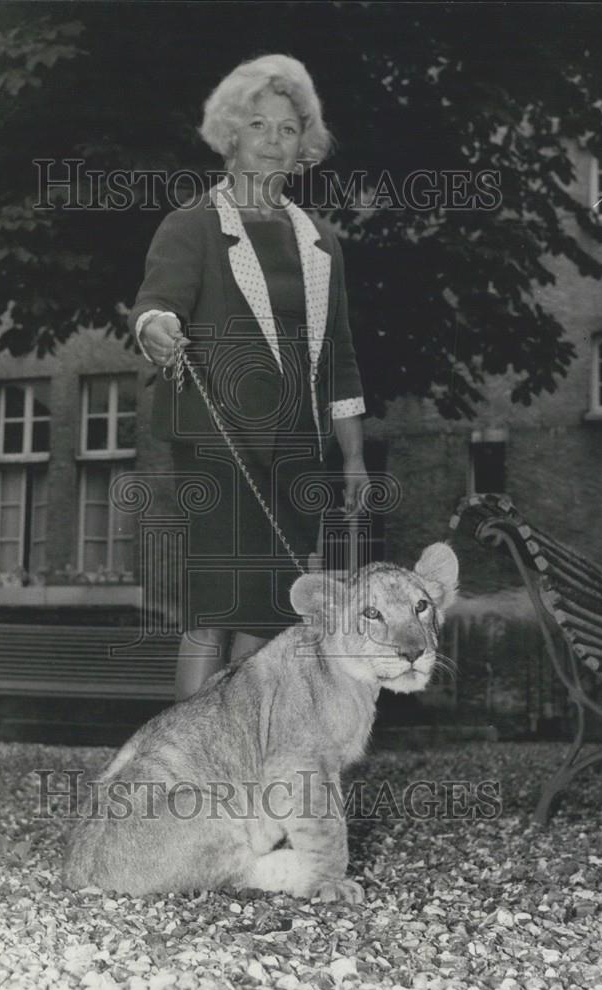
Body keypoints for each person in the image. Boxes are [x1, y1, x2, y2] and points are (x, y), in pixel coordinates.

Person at [127, 54, 369, 700]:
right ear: (230, 136)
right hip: (219, 442)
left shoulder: (322, 242)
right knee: (215, 606)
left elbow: (340, 354)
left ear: (303, 147)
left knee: (272, 611)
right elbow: (157, 304)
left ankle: (236, 760)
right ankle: (184, 762)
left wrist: (352, 458)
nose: (272, 140)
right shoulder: (193, 226)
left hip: (297, 446)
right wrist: (155, 328)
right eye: (257, 125)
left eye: (288, 130)